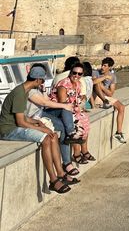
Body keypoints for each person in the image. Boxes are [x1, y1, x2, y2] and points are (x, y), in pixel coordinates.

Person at [0, 65, 79, 193]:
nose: (43, 83)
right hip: (8, 130)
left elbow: (23, 116)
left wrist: (37, 122)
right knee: (46, 138)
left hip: (14, 125)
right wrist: (42, 130)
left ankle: (60, 173)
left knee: (52, 135)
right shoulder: (20, 93)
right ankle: (53, 180)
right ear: (37, 80)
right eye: (42, 80)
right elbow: (20, 122)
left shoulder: (24, 90)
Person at [26, 64, 83, 176]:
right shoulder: (30, 89)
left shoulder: (38, 87)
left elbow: (46, 100)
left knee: (65, 113)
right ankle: (67, 162)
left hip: (42, 112)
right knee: (64, 118)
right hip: (34, 117)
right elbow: (44, 103)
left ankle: (70, 134)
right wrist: (64, 106)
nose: (43, 79)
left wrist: (43, 91)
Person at [51, 63, 96, 164]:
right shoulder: (63, 84)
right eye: (74, 73)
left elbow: (79, 97)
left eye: (79, 74)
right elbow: (62, 102)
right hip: (60, 110)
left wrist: (81, 102)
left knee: (85, 120)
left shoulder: (78, 84)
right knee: (77, 123)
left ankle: (84, 150)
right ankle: (76, 153)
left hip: (70, 108)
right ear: (70, 72)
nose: (76, 76)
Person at [92, 57, 127, 144]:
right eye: (102, 65)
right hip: (96, 97)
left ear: (110, 67)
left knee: (121, 107)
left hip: (106, 97)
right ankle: (103, 102)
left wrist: (102, 87)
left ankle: (118, 132)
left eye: (105, 66)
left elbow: (111, 93)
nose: (102, 67)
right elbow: (93, 82)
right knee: (97, 83)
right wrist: (104, 78)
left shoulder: (113, 77)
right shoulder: (95, 72)